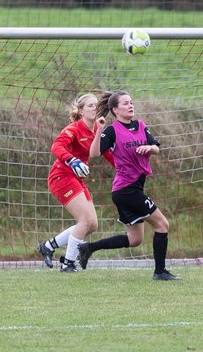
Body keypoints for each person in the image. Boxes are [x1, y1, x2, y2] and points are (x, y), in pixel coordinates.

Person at [75, 91, 179, 280]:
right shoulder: (112, 131)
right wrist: (99, 130)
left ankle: (89, 248)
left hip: (132, 189)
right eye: (125, 103)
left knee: (135, 240)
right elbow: (94, 153)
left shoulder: (140, 125)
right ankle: (160, 272)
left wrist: (150, 148)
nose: (130, 106)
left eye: (131, 102)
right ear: (115, 110)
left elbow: (156, 147)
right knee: (163, 224)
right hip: (126, 190)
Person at [37, 92, 106, 273]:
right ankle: (68, 262)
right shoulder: (74, 128)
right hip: (61, 177)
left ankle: (48, 246)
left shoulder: (96, 131)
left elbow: (104, 152)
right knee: (84, 220)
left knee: (92, 224)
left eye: (96, 105)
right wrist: (72, 160)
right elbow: (56, 146)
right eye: (90, 105)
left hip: (75, 179)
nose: (94, 108)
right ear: (81, 111)